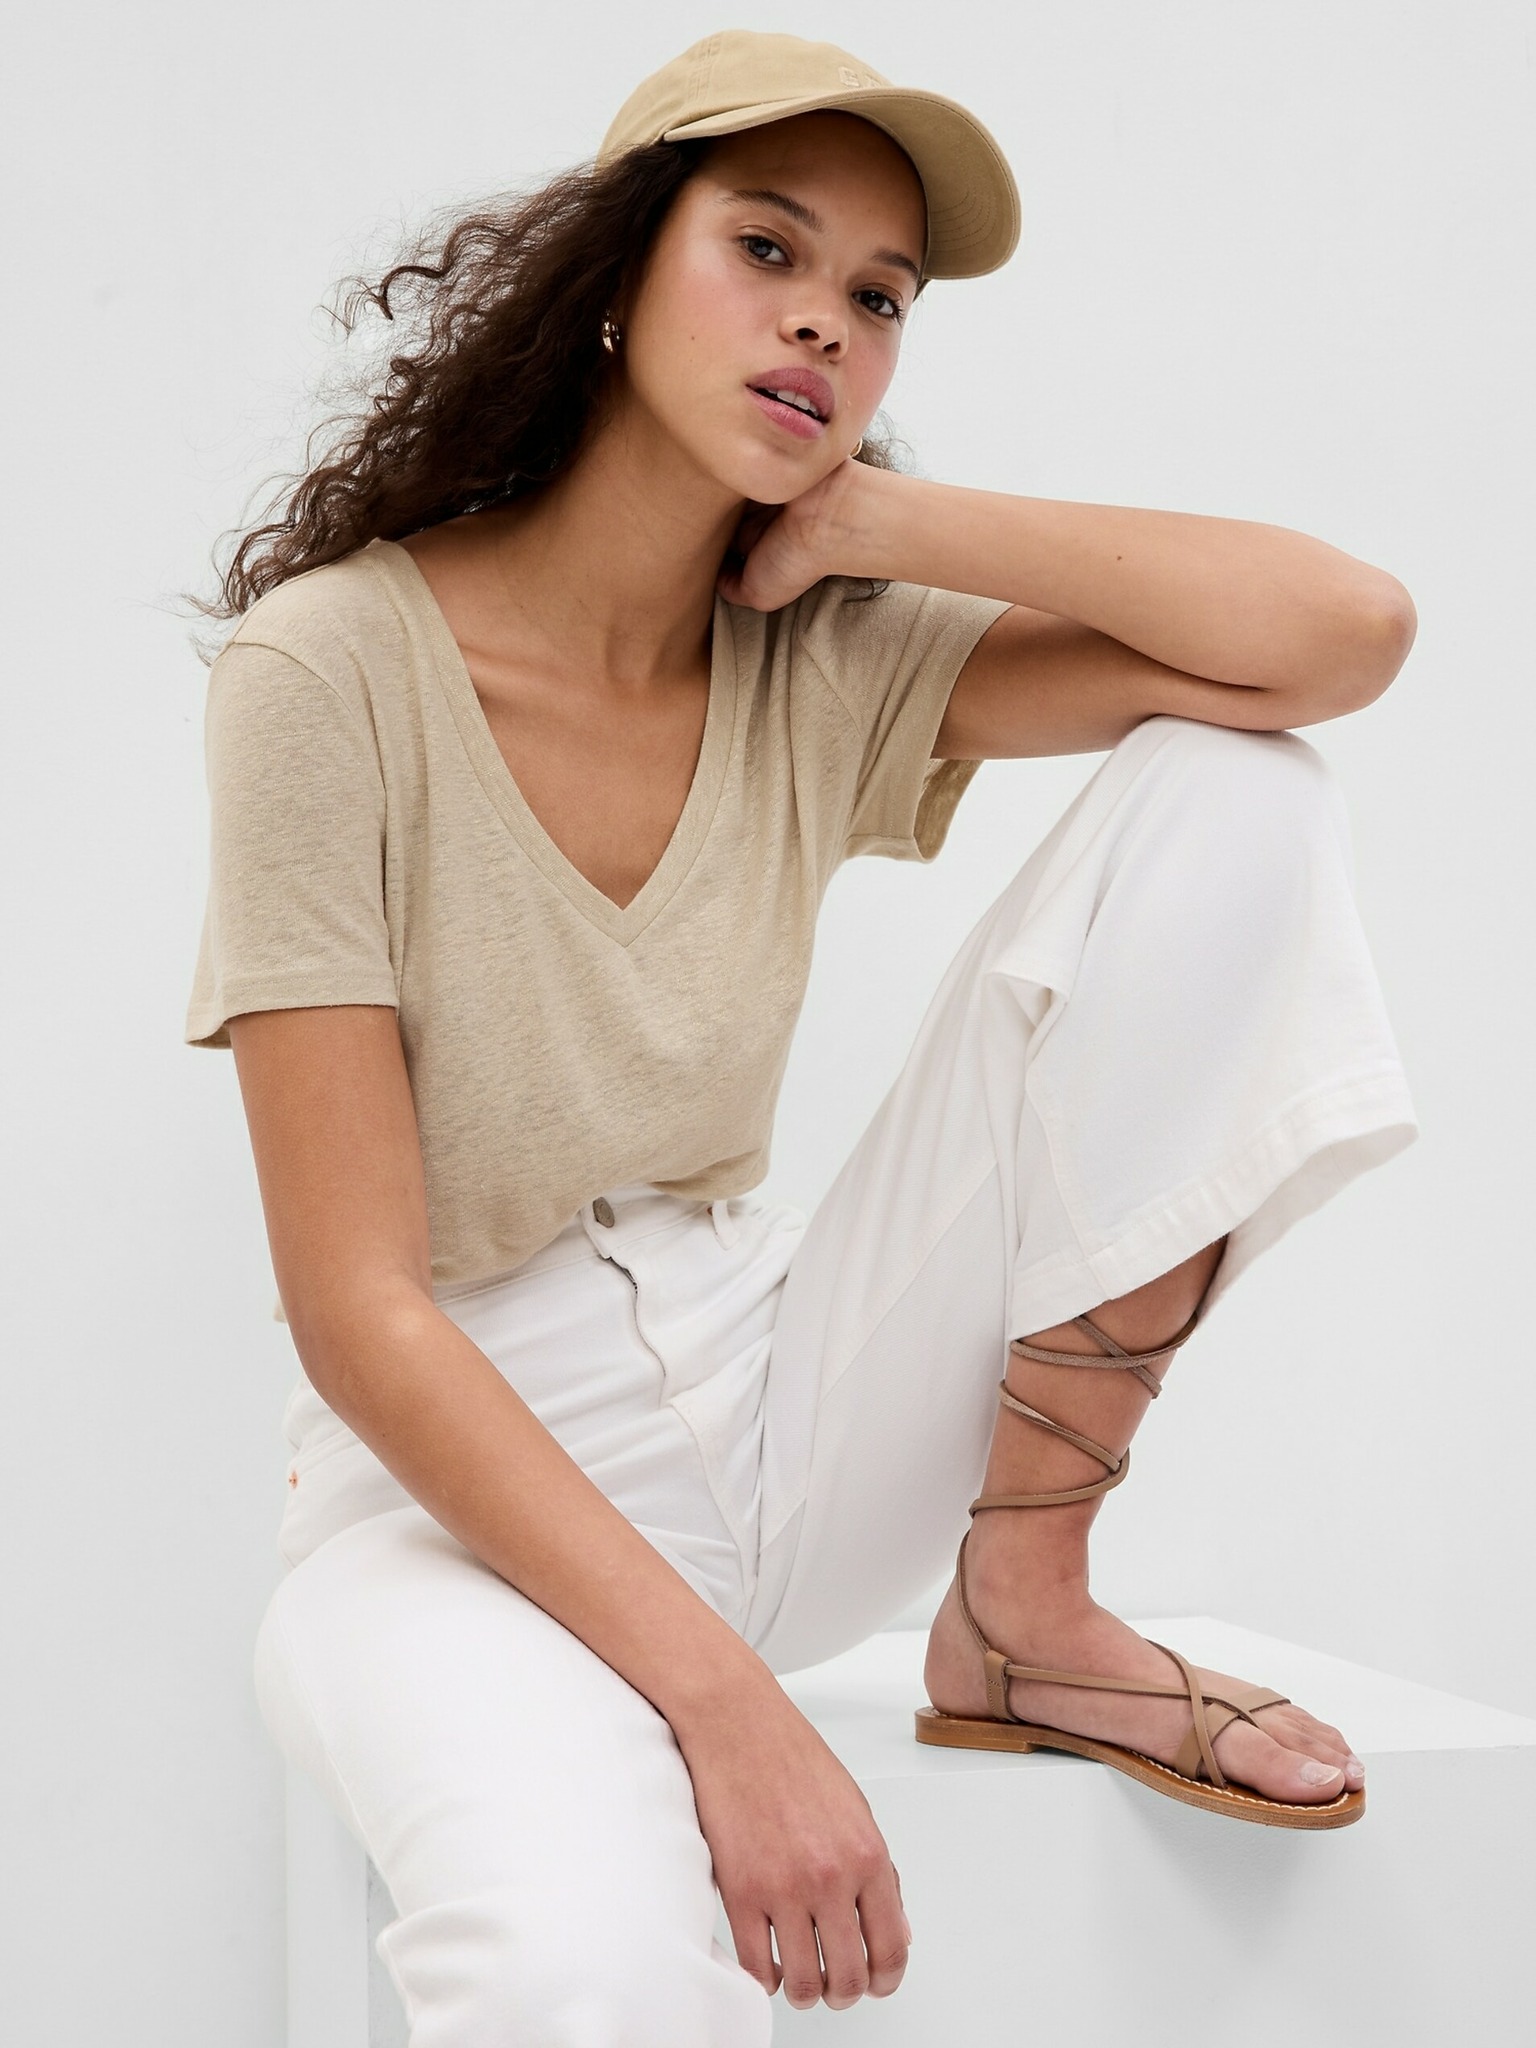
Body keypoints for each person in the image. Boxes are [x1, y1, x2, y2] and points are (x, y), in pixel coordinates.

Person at [183, 27, 1420, 2044]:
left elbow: (1340, 635)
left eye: (878, 296)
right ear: (614, 274)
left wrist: (879, 527)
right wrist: (729, 1707)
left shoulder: (816, 655)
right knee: (580, 1967)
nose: (826, 323)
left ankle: (1026, 1599)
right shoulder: (330, 669)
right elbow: (356, 1306)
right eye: (765, 250)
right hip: (446, 1504)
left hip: (780, 1400)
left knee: (1238, 788)